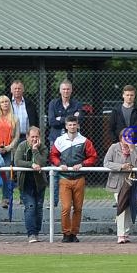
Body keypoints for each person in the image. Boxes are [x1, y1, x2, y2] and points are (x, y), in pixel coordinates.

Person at [49, 116, 98, 243]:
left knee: (78, 208)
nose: (72, 127)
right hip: (64, 178)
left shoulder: (84, 141)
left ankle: (74, 233)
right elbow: (53, 155)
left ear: (77, 125)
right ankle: (66, 233)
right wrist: (59, 163)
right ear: (66, 126)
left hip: (79, 178)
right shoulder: (59, 140)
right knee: (65, 207)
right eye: (69, 125)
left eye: (74, 124)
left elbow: (93, 156)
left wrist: (83, 164)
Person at [47, 80, 84, 208]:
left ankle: (71, 203)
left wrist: (61, 119)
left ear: (71, 90)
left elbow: (79, 120)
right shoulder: (53, 103)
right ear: (60, 90)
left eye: (68, 89)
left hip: (72, 142)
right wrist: (69, 118)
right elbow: (52, 121)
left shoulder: (77, 104)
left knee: (73, 171)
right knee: (56, 171)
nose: (66, 91)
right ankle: (53, 202)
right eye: (63, 89)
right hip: (56, 141)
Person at [104, 128, 137, 244]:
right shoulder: (114, 147)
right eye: (126, 136)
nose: (128, 139)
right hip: (117, 182)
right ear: (121, 137)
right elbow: (107, 163)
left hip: (130, 183)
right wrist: (121, 166)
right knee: (122, 207)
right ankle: (120, 234)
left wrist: (132, 150)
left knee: (129, 208)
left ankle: (126, 233)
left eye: (130, 137)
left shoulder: (136, 149)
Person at [14, 126, 48, 243]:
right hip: (25, 182)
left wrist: (35, 150)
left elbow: (42, 162)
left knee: (38, 208)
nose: (34, 139)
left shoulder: (43, 147)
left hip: (39, 183)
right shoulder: (21, 146)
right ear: (27, 136)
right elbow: (17, 161)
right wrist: (31, 165)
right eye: (32, 137)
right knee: (30, 206)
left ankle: (36, 232)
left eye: (36, 137)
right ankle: (31, 234)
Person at [0, 95, 20, 209]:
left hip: (8, 149)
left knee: (6, 173)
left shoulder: (15, 118)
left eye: (7, 101)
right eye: (2, 102)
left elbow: (16, 136)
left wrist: (8, 147)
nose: (5, 104)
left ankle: (6, 198)